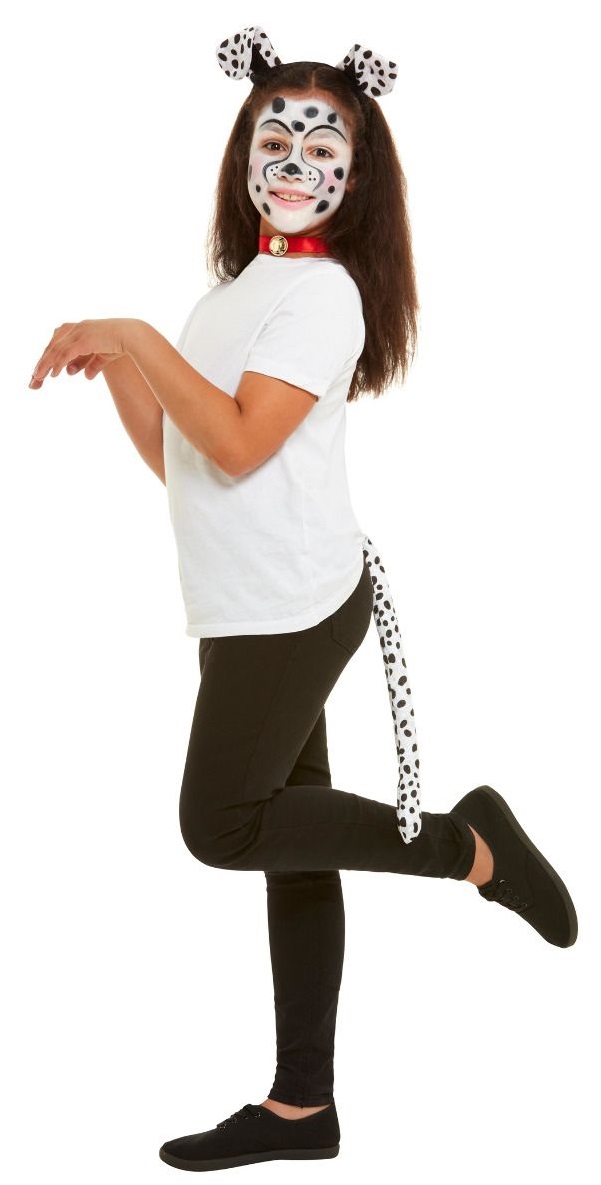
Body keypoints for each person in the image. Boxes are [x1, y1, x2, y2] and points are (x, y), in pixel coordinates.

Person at [28, 25, 578, 1174]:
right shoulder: (236, 292)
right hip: (243, 603)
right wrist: (126, 369)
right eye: (272, 138)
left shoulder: (324, 296)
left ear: (357, 175)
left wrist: (135, 335)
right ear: (243, 153)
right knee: (291, 844)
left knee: (221, 825)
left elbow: (235, 443)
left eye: (321, 146)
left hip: (290, 606)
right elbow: (184, 461)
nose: (291, 159)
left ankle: (470, 846)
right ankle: (302, 1108)